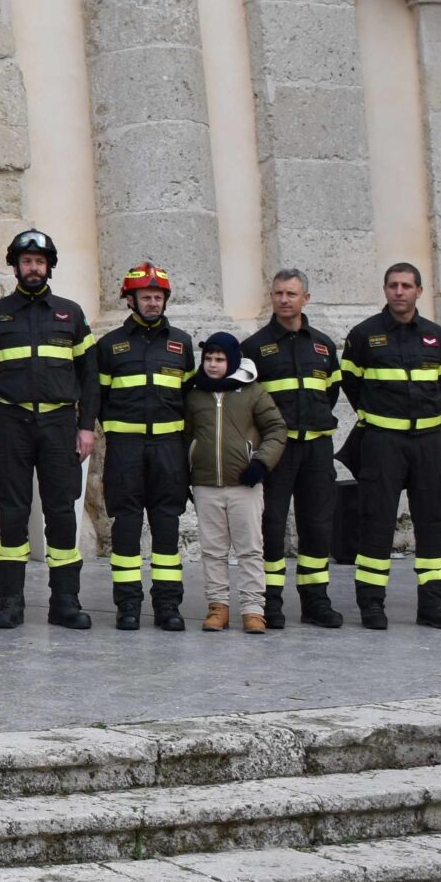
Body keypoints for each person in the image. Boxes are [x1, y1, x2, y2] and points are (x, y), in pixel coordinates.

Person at [0, 228, 96, 630]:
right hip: (11, 424)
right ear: (16, 266)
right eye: (26, 262)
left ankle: (66, 602)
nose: (33, 268)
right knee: (12, 513)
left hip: (60, 424)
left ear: (49, 266)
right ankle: (11, 603)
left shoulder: (71, 314)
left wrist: (86, 427)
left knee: (62, 513)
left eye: (40, 261)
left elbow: (89, 377)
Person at [339, 262, 441, 631]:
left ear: (419, 291)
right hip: (382, 441)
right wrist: (382, 417)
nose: (399, 292)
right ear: (385, 290)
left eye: (407, 285)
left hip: (428, 442)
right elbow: (351, 383)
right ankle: (372, 605)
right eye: (393, 285)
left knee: (432, 520)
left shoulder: (437, 336)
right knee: (376, 520)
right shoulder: (363, 335)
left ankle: (433, 605)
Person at [87, 262, 196, 632]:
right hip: (126, 449)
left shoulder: (182, 344)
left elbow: (191, 398)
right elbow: (95, 397)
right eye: (146, 297)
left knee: (167, 526)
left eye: (158, 296)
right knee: (127, 527)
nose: (153, 302)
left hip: (169, 449)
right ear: (130, 300)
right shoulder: (109, 346)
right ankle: (128, 606)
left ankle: (168, 606)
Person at [244, 269, 345, 629]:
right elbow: (247, 403)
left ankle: (316, 601)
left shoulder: (323, 345)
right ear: (271, 297)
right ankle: (269, 602)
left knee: (317, 524)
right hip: (277, 451)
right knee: (270, 524)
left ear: (306, 298)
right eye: (278, 293)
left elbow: (331, 393)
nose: (284, 300)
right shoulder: (254, 348)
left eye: (291, 294)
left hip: (317, 447)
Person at [185, 332, 286, 634]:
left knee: (250, 549)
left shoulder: (252, 392)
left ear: (233, 361)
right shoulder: (193, 394)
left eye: (220, 359)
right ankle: (218, 607)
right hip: (206, 484)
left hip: (245, 484)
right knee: (213, 550)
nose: (213, 365)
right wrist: (185, 470)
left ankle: (253, 609)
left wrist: (261, 463)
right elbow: (184, 435)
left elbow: (277, 429)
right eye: (208, 359)